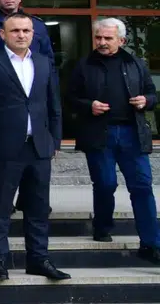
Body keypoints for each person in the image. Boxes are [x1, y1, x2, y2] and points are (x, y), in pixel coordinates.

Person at [0, 13, 69, 281]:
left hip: (39, 146)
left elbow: (53, 104)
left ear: (33, 34)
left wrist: (55, 139)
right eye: (15, 30)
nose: (21, 35)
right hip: (4, 146)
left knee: (38, 208)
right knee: (1, 207)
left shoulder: (43, 62)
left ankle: (39, 259)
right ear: (2, 34)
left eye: (26, 30)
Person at [68, 18, 159, 264]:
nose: (102, 42)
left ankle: (151, 244)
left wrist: (146, 101)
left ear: (121, 40)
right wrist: (89, 105)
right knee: (106, 183)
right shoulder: (84, 65)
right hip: (100, 133)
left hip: (132, 133)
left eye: (108, 38)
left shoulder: (136, 63)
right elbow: (70, 98)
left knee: (142, 187)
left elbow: (152, 93)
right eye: (98, 37)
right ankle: (103, 225)